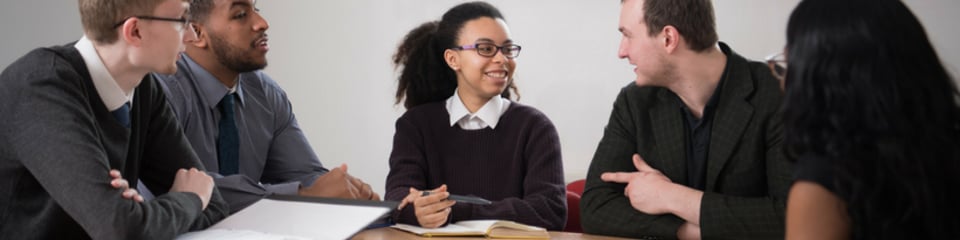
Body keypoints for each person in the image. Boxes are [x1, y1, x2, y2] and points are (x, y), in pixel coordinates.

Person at [0, 0, 229, 239]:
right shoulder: (39, 86)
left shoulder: (143, 88)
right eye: (183, 20)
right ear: (135, 31)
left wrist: (141, 216)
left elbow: (212, 203)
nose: (192, 35)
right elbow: (122, 228)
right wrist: (189, 199)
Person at [581, 0, 792, 238]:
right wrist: (684, 231)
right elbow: (595, 207)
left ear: (668, 38)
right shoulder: (634, 102)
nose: (621, 51)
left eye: (628, 36)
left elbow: (795, 218)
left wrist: (670, 196)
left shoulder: (781, 93)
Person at [153, 0, 379, 213]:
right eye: (241, 15)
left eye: (256, 8)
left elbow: (303, 174)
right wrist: (304, 194)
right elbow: (182, 187)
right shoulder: (160, 91)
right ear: (196, 33)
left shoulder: (265, 92)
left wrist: (345, 191)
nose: (262, 23)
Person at [781, 0, 960, 239]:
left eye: (785, 64)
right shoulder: (944, 145)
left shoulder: (821, 183)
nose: (782, 80)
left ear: (816, 77)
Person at [384, 1, 566, 230]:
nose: (502, 59)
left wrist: (453, 208)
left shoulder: (535, 127)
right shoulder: (416, 125)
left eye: (508, 49)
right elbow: (398, 201)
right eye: (486, 49)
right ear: (453, 59)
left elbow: (549, 211)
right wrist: (419, 210)